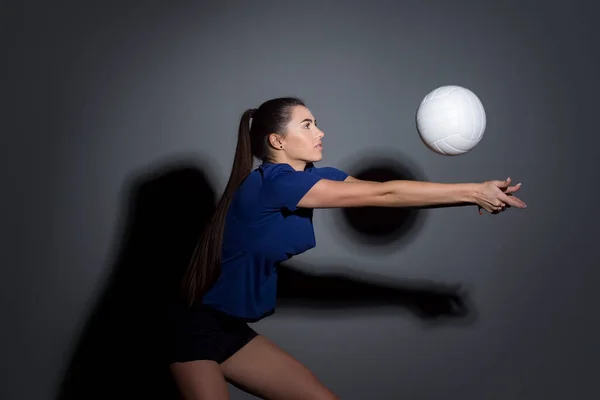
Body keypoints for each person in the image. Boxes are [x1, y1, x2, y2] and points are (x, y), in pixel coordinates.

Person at [167, 97, 526, 399]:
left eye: (316, 123)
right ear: (277, 141)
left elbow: (388, 195)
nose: (320, 132)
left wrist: (471, 197)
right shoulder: (274, 184)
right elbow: (386, 194)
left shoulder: (313, 179)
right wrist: (471, 190)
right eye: (307, 125)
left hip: (230, 329)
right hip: (193, 328)